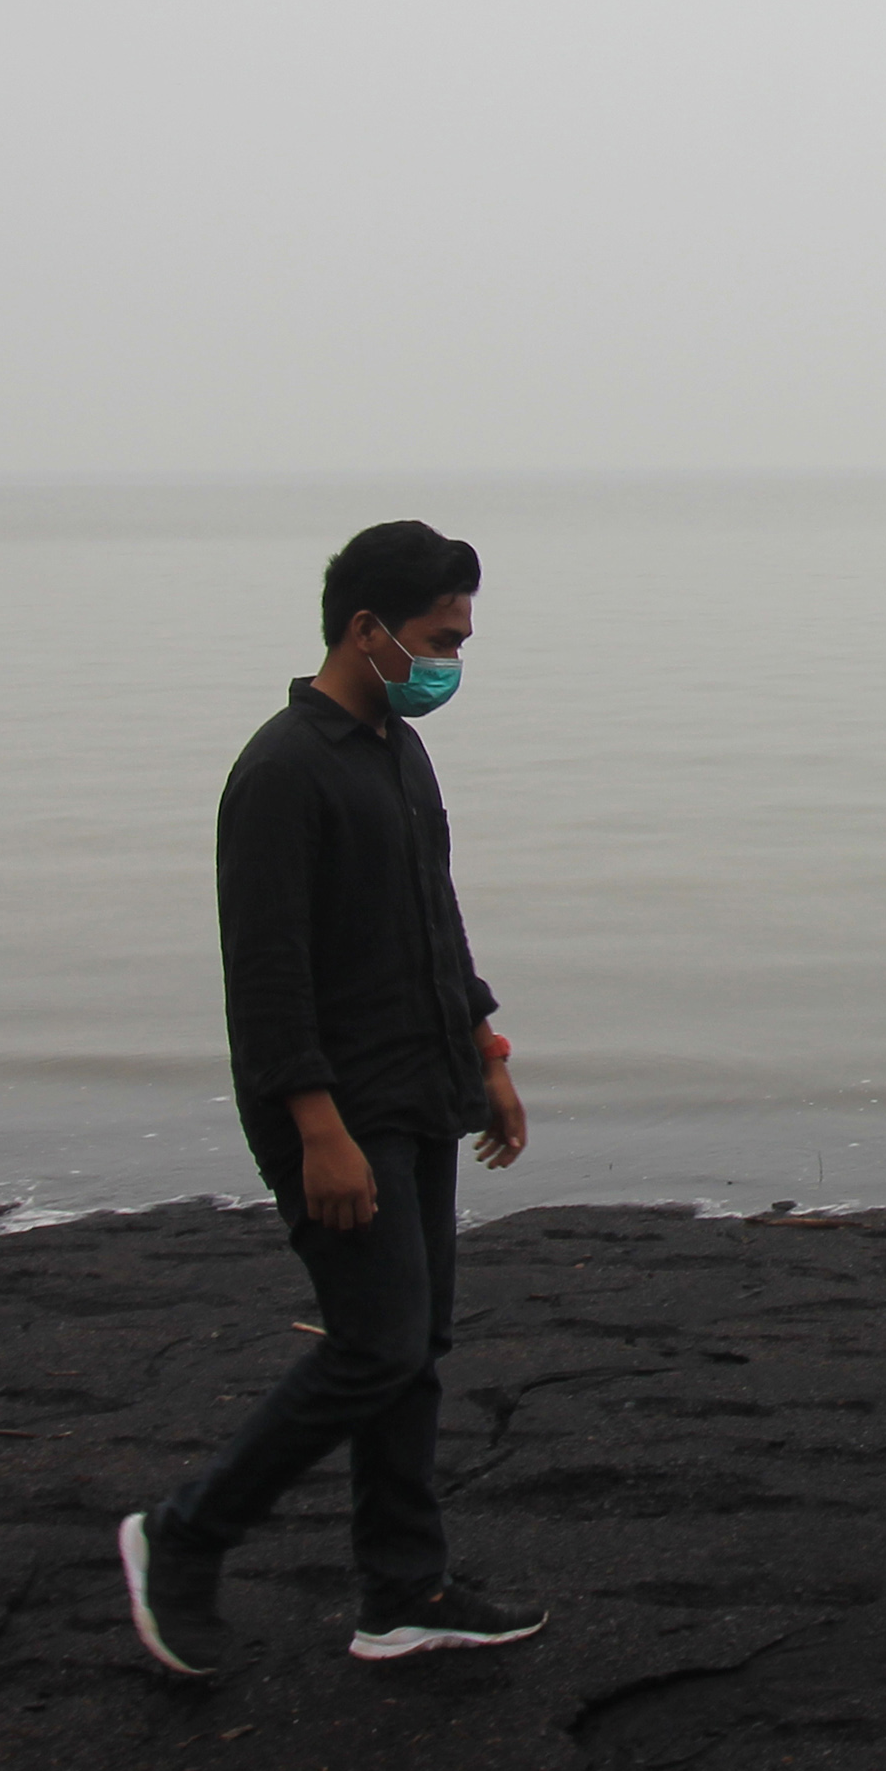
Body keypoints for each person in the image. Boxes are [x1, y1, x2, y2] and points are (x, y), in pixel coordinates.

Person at [119, 519, 549, 1675]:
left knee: (416, 1346)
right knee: (372, 1348)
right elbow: (264, 978)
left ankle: (402, 1593)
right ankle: (181, 1536)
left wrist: (487, 1054)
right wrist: (318, 1131)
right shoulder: (281, 772)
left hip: (421, 1089)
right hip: (334, 1114)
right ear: (365, 630)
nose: (453, 658)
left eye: (463, 636)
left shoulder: (398, 756)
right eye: (436, 636)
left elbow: (434, 919)